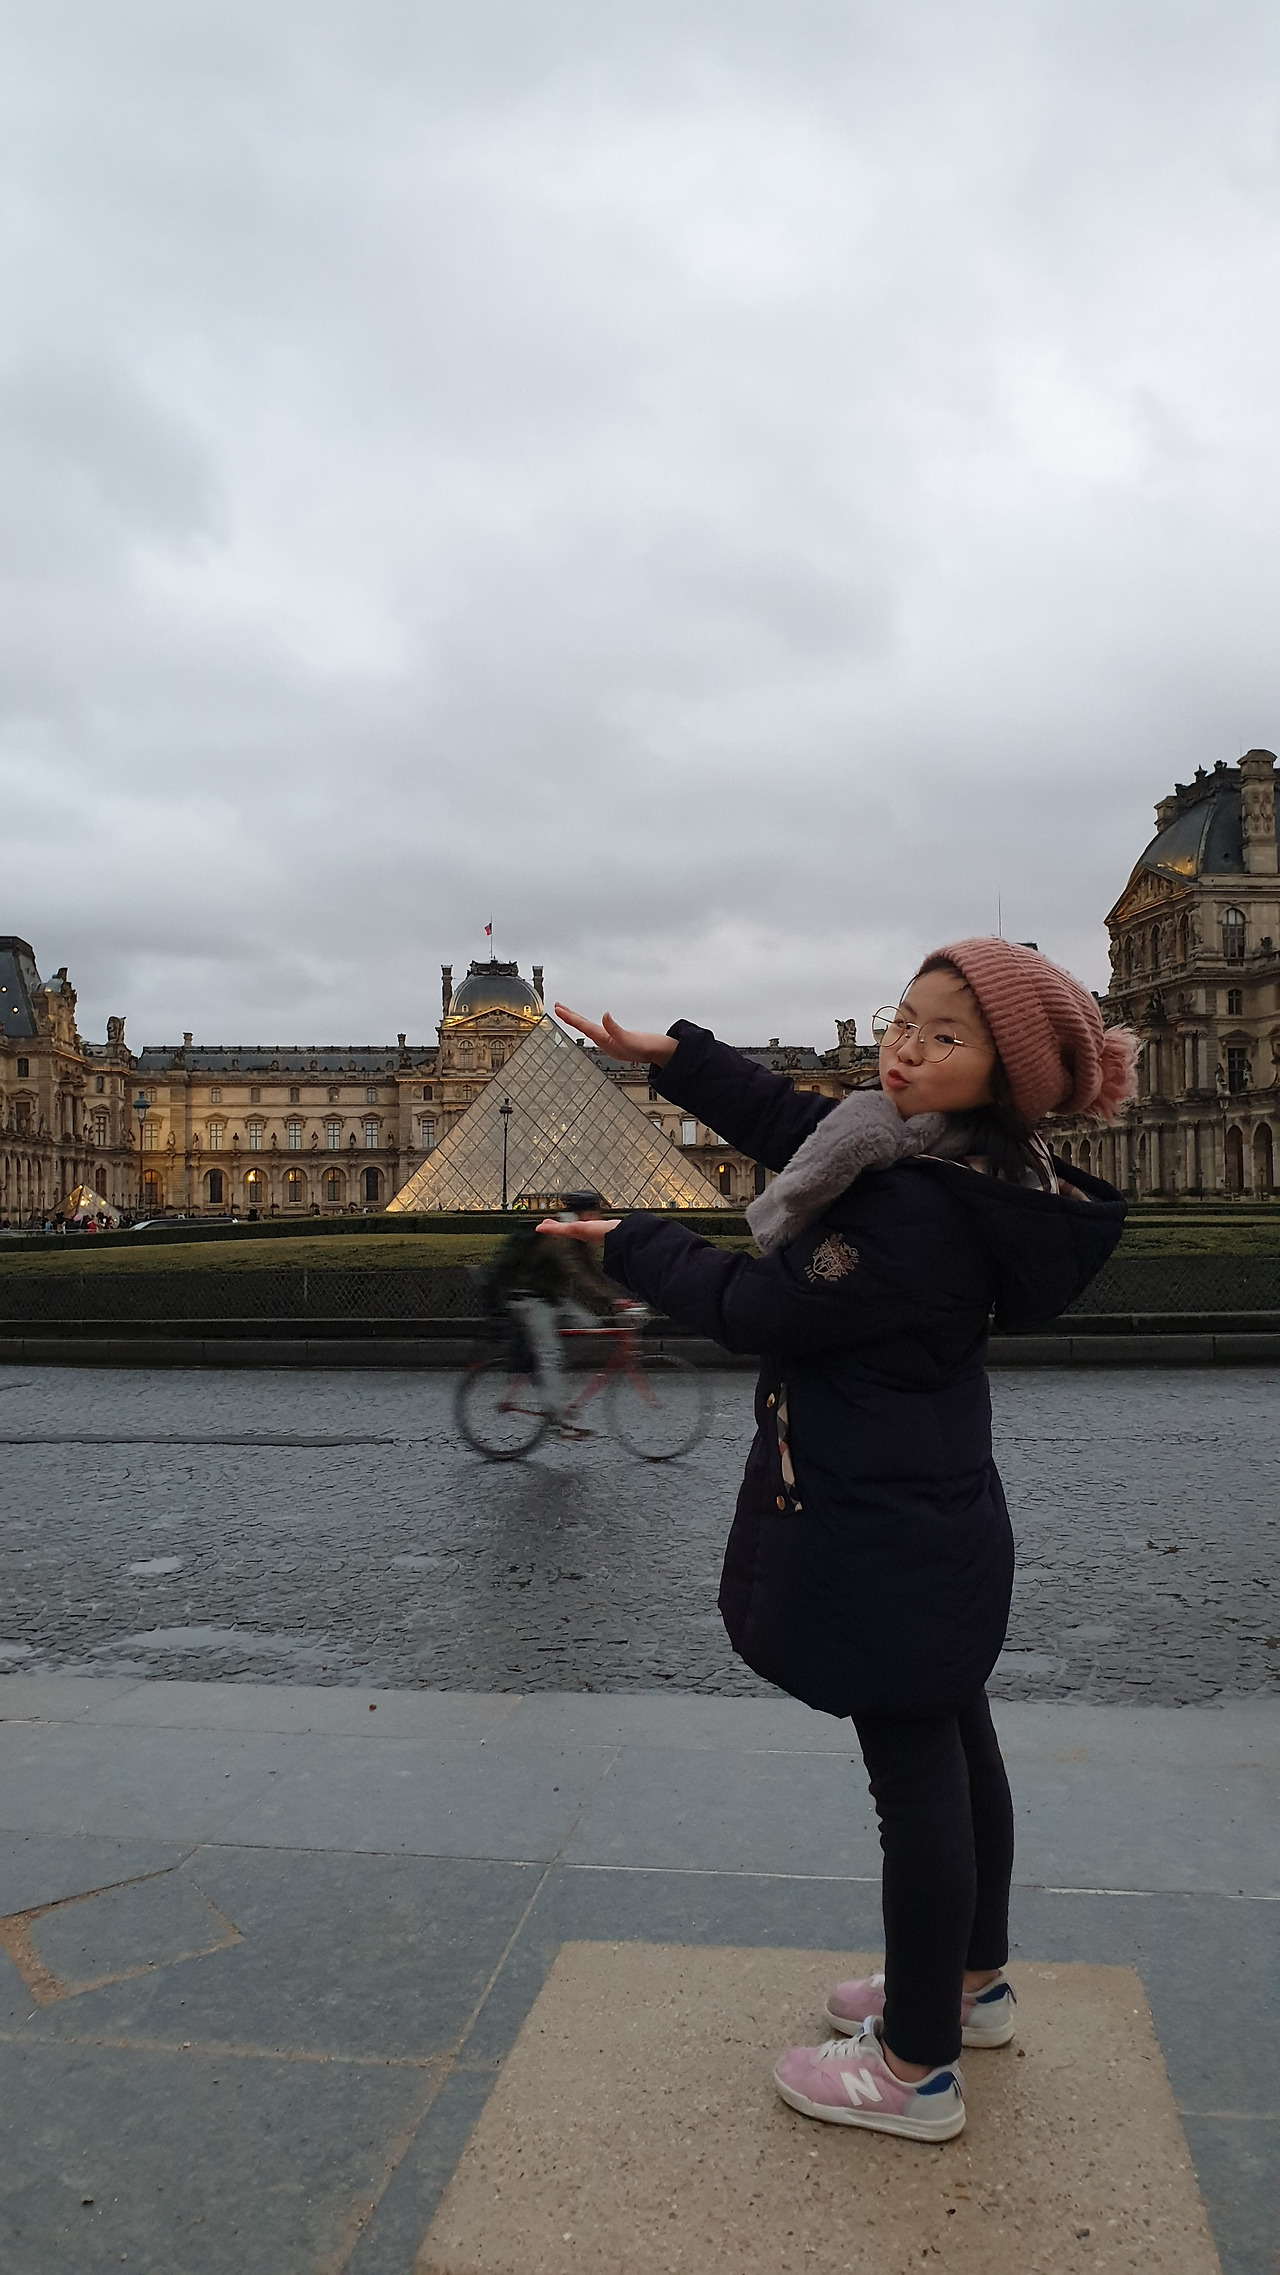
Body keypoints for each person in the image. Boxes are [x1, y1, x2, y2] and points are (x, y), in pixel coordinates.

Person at [540, 940, 1136, 2143]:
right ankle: (968, 1984)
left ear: (1006, 1072)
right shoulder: (959, 1156)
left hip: (877, 1526)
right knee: (955, 1741)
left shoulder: (907, 1213)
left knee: (913, 1784)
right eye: (901, 1018)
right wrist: (677, 1059)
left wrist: (628, 1239)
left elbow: (748, 1305)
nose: (902, 1050)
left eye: (942, 1036)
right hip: (933, 1506)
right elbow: (807, 1125)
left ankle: (913, 2066)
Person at [488, 1190, 633, 1432]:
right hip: (529, 1298)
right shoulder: (560, 1236)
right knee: (551, 1355)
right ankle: (561, 1420)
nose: (598, 1218)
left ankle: (556, 1378)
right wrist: (613, 1299)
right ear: (584, 1214)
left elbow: (593, 1271)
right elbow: (578, 1273)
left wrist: (619, 1297)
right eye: (595, 1213)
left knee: (591, 1326)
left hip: (552, 1297)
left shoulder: (577, 1234)